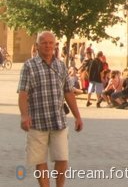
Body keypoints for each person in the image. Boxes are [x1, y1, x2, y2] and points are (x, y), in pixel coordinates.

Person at [18, 31, 83, 187]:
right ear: (38, 45)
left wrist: (77, 116)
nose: (47, 45)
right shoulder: (29, 66)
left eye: (50, 43)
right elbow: (23, 93)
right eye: (44, 42)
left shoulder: (60, 65)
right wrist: (24, 116)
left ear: (55, 46)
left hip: (58, 120)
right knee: (40, 160)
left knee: (62, 158)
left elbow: (68, 92)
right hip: (37, 122)